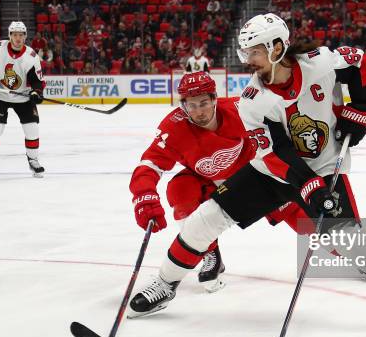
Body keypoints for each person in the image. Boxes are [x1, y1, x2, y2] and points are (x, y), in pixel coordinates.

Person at [129, 13, 366, 334]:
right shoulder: (252, 100)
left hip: (325, 167)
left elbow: (361, 63)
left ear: (275, 47)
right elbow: (273, 152)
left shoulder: (322, 62)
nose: (247, 60)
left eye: (252, 51)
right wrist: (306, 184)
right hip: (271, 172)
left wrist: (362, 108)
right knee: (206, 219)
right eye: (245, 53)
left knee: (348, 238)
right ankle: (165, 284)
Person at [129, 71, 308, 295]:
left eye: (204, 103)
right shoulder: (173, 128)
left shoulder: (240, 110)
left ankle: (358, 255)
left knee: (307, 221)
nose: (198, 111)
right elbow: (149, 165)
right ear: (183, 105)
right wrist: (144, 196)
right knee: (180, 189)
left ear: (215, 98)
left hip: (256, 179)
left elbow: (285, 130)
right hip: (210, 181)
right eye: (191, 105)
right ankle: (209, 252)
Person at [0, 21, 46, 177]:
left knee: (32, 129)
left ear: (25, 36)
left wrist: (36, 92)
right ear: (10, 35)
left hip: (23, 96)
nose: (18, 38)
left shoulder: (31, 56)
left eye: (21, 35)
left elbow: (37, 80)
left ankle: (33, 160)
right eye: (15, 34)